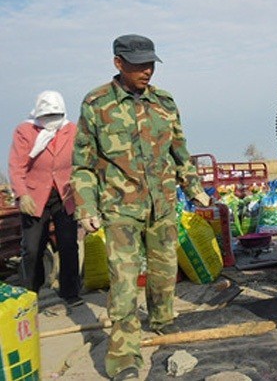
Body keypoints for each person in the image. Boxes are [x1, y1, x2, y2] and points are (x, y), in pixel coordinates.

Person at [71, 34, 211, 381]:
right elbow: (83, 164)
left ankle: (163, 323)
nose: (146, 71)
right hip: (120, 209)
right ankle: (123, 360)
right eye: (138, 65)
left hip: (162, 205)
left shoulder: (164, 101)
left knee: (164, 275)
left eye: (150, 64)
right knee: (124, 282)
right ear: (118, 63)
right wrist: (86, 205)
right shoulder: (97, 103)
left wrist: (194, 188)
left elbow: (180, 150)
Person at [8, 90, 82, 306]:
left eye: (55, 116)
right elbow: (16, 165)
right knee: (32, 248)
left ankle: (70, 292)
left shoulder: (72, 130)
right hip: (35, 196)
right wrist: (22, 195)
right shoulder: (25, 131)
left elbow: (80, 161)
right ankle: (31, 293)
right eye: (47, 117)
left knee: (68, 244)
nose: (51, 122)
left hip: (64, 194)